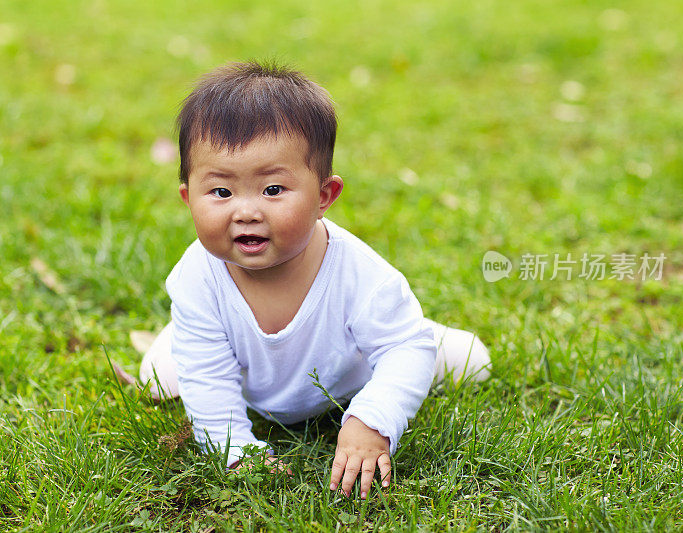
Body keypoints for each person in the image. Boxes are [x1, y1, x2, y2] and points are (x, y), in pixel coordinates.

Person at [114, 60, 490, 500]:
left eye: (273, 190)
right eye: (221, 192)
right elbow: (210, 387)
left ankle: (430, 341)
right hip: (242, 368)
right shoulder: (197, 277)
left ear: (324, 197)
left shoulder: (360, 275)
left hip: (349, 373)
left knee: (469, 361)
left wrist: (371, 419)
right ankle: (186, 335)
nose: (246, 211)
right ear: (187, 198)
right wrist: (236, 449)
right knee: (165, 373)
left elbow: (402, 349)